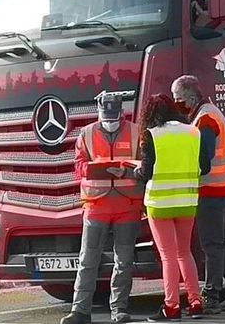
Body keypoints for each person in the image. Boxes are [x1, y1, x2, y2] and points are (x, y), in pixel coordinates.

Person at [61, 92, 142, 324]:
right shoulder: (86, 134)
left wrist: (126, 171)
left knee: (124, 260)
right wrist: (93, 169)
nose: (110, 121)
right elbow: (78, 165)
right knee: (88, 258)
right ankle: (80, 311)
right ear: (98, 113)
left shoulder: (136, 132)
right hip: (96, 205)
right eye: (106, 117)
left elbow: (145, 165)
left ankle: (119, 309)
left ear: (122, 113)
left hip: (128, 205)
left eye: (114, 117)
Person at [172, 75, 225, 313]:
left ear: (192, 97)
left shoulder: (205, 120)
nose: (177, 103)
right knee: (224, 241)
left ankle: (212, 295)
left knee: (212, 243)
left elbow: (203, 161)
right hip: (223, 186)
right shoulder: (210, 113)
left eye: (179, 98)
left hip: (211, 189)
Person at [135, 94, 205, 321]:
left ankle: (171, 306)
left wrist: (133, 171)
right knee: (185, 252)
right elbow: (203, 166)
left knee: (168, 256)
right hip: (187, 201)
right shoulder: (193, 132)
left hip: (160, 203)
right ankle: (196, 302)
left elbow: (145, 172)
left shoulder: (152, 135)